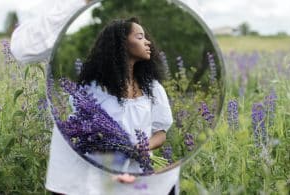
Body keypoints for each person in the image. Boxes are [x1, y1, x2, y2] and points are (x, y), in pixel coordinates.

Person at [10, 0, 180, 194]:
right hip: (85, 182)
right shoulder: (91, 89)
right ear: (121, 45)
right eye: (140, 37)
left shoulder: (153, 88)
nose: (148, 42)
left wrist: (138, 149)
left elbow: (160, 131)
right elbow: (23, 48)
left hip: (141, 180)